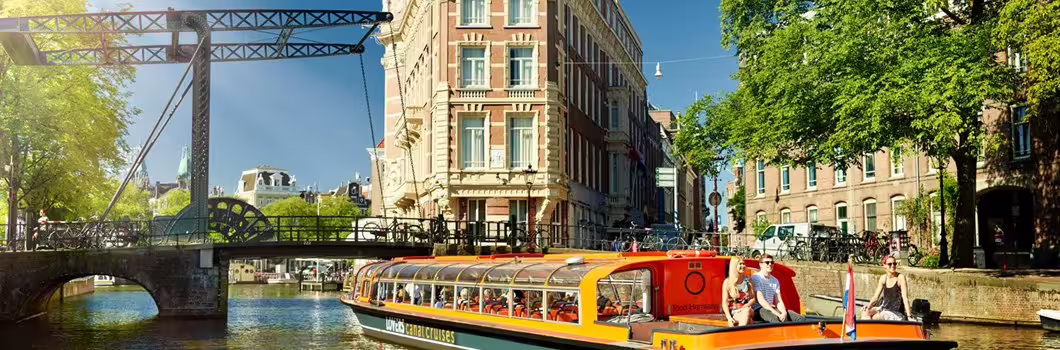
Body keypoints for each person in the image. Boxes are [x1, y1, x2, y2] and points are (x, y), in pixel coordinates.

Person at [751, 255, 805, 323]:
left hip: (771, 308)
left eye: (772, 262)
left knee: (800, 319)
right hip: (759, 309)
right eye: (767, 262)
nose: (770, 264)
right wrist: (776, 313)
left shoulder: (775, 280)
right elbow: (761, 301)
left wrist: (784, 312)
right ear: (761, 264)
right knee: (777, 321)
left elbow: (778, 301)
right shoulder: (756, 278)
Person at [861, 255, 912, 321]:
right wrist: (868, 306)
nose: (893, 266)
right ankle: (867, 330)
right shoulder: (883, 278)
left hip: (896, 313)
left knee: (876, 317)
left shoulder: (900, 278)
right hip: (884, 308)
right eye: (890, 264)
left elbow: (905, 298)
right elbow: (875, 297)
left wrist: (909, 316)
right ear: (884, 265)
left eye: (894, 263)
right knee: (865, 312)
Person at [722, 257, 755, 326]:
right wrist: (729, 318)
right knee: (749, 321)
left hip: (748, 309)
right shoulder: (727, 282)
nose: (743, 266)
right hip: (735, 311)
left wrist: (747, 305)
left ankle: (738, 334)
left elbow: (753, 299)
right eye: (740, 264)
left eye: (743, 264)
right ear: (734, 266)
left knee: (746, 311)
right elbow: (724, 302)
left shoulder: (748, 280)